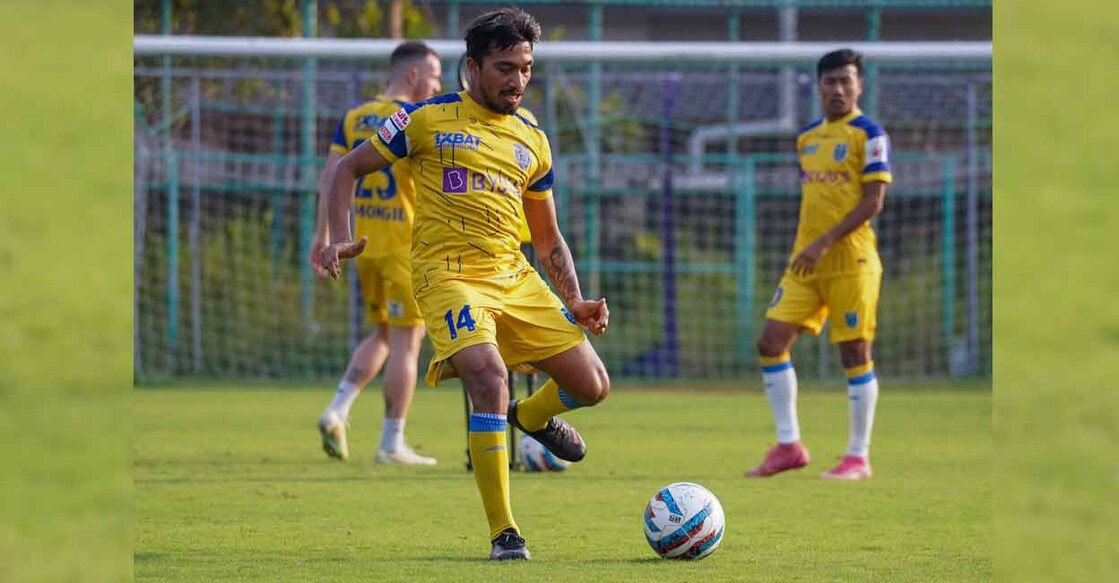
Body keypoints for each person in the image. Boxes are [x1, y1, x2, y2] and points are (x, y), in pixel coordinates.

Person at [320, 7, 611, 560]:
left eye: (525, 67)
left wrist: (574, 299)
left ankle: (528, 417)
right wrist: (338, 234)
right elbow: (345, 170)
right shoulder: (423, 119)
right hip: (447, 276)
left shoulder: (534, 140)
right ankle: (505, 533)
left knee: (592, 386)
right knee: (487, 375)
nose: (517, 79)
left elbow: (548, 237)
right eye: (505, 67)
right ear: (472, 67)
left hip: (514, 275)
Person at [745, 49, 891, 481]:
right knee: (771, 342)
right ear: (819, 87)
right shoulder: (806, 138)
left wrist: (825, 242)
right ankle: (789, 445)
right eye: (830, 81)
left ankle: (858, 457)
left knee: (854, 353)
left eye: (847, 80)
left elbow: (873, 201)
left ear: (859, 85)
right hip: (806, 262)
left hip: (851, 261)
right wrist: (811, 246)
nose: (839, 89)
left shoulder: (870, 134)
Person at [310, 41, 443, 465]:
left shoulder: (353, 117)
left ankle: (337, 409)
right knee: (409, 341)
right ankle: (391, 442)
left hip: (359, 245)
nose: (438, 84)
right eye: (435, 75)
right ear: (412, 76)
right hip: (405, 247)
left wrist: (324, 235)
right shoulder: (413, 119)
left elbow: (332, 176)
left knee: (384, 335)